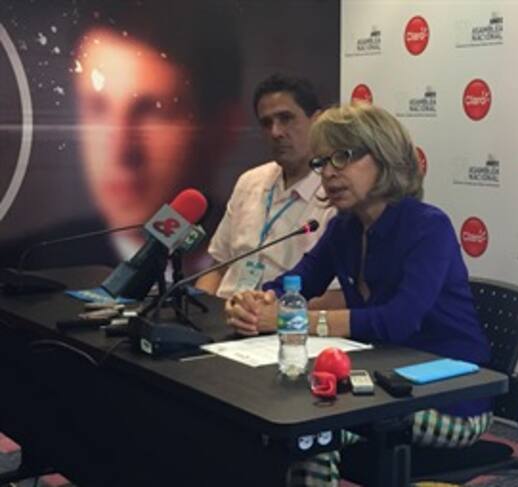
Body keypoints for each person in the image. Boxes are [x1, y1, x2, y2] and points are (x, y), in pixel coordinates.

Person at [225, 103, 492, 486]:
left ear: (384, 158)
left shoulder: (428, 227)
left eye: (343, 157)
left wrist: (292, 319)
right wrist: (257, 301)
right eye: (322, 162)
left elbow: (397, 321)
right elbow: (299, 282)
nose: (329, 173)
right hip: (379, 381)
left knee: (312, 428)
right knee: (273, 423)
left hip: (449, 397)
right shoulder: (344, 227)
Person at [0, 1, 241, 271]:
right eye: (98, 108)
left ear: (223, 128)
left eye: (153, 111)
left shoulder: (267, 254)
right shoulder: (18, 268)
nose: (120, 151)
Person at [196, 74, 341, 307]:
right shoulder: (250, 181)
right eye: (266, 123)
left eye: (286, 119)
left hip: (282, 318)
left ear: (317, 121)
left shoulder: (336, 191)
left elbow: (336, 295)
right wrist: (203, 310)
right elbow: (217, 267)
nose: (276, 132)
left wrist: (271, 316)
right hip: (226, 312)